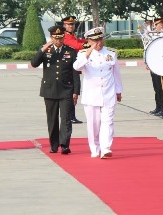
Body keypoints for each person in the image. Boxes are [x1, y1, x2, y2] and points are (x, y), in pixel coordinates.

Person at [73, 27, 123, 159]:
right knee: (93, 124)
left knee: (108, 121)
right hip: (92, 95)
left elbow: (116, 74)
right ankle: (95, 148)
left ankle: (105, 148)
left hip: (108, 93)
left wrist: (118, 91)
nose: (98, 43)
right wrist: (88, 52)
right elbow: (77, 67)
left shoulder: (111, 53)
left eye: (100, 39)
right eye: (95, 40)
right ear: (88, 41)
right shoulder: (83, 54)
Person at [31, 25, 80, 155]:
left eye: (61, 38)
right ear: (51, 38)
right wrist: (43, 48)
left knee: (66, 119)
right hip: (50, 90)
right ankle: (54, 145)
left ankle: (64, 145)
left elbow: (75, 73)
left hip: (66, 90)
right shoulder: (46, 50)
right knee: (52, 120)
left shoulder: (71, 51)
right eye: (55, 38)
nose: (58, 41)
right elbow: (34, 63)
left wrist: (76, 91)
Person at [62, 15, 88, 124]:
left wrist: (90, 39)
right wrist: (89, 44)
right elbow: (77, 46)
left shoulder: (72, 35)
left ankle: (71, 116)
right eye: (69, 24)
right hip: (69, 68)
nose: (71, 26)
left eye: (72, 24)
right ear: (64, 25)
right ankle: (69, 116)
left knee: (75, 91)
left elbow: (79, 41)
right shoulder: (65, 36)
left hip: (74, 67)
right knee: (72, 93)